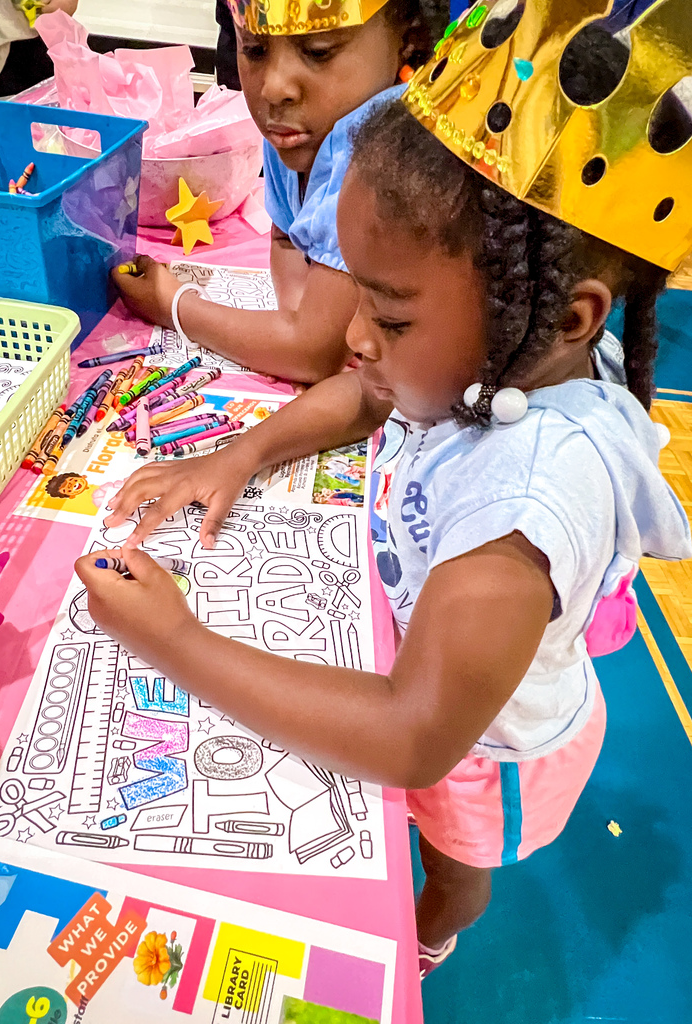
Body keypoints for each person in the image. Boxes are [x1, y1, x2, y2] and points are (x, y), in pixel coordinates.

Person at [75, 7, 692, 981]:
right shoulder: (494, 352)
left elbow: (414, 736)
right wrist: (241, 453)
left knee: (452, 863)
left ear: (567, 320)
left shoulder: (521, 510)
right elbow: (368, 396)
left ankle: (437, 928)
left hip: (484, 755)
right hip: (430, 647)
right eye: (361, 295)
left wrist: (177, 643)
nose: (357, 337)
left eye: (390, 315)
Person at [113, 0, 448, 383]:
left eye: (318, 51)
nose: (274, 88)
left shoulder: (384, 146)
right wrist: (300, 320)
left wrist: (172, 305)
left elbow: (312, 356)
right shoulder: (298, 132)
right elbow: (287, 235)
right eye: (254, 50)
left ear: (408, 39)